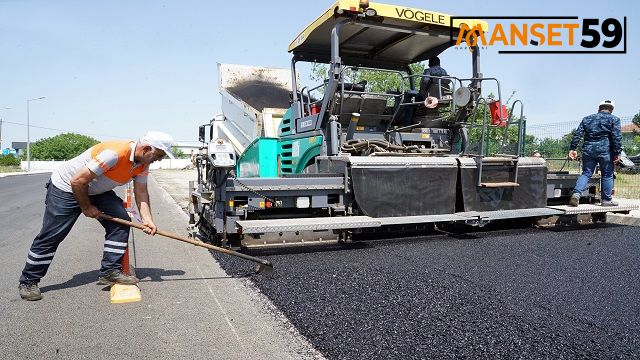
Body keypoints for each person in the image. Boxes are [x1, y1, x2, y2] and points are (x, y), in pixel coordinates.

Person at [18, 131, 175, 301]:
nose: (159, 159)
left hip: (96, 190)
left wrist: (148, 220)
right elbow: (77, 181)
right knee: (52, 236)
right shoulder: (113, 154)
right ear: (145, 149)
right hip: (66, 189)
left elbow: (141, 192)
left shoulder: (143, 164)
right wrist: (86, 207)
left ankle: (110, 271)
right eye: (159, 155)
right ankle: (28, 281)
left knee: (121, 223)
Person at [568, 100, 622, 207]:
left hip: (588, 150)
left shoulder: (587, 119)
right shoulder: (614, 119)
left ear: (599, 108)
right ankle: (606, 201)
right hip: (605, 151)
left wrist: (572, 149)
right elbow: (616, 137)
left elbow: (577, 134)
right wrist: (618, 153)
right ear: (611, 110)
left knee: (586, 173)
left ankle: (576, 194)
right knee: (607, 175)